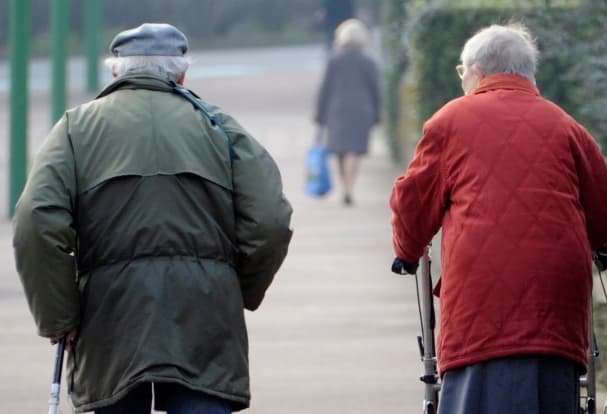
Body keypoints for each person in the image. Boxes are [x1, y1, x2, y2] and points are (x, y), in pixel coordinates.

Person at [12, 23, 293, 413]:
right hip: (204, 315)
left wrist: (60, 316)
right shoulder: (222, 129)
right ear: (182, 73)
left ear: (115, 71)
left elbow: (35, 221)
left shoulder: (75, 130)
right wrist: (234, 286)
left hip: (111, 319)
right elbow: (270, 220)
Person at [390, 23, 607, 414]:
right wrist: (597, 242)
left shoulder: (450, 122)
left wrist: (408, 249)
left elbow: (411, 204)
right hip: (556, 310)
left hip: (479, 311)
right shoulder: (565, 125)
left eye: (461, 72)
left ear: (477, 72)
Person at [315, 18, 381, 206]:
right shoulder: (368, 61)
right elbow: (375, 89)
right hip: (361, 110)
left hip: (337, 110)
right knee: (353, 150)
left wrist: (319, 113)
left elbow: (325, 88)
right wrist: (377, 113)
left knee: (340, 150)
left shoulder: (334, 60)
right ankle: (349, 187)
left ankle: (345, 185)